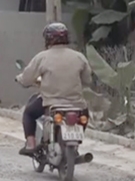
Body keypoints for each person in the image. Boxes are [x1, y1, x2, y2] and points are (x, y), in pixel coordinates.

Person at [15, 22, 92, 156]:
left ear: (47, 38)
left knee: (28, 113)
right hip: (76, 104)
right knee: (84, 116)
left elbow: (27, 78)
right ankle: (76, 144)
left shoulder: (42, 57)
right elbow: (87, 80)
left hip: (50, 103)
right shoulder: (79, 57)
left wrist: (20, 79)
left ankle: (31, 144)